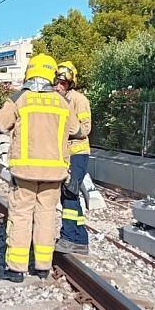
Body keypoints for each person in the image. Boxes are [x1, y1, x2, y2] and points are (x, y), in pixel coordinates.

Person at [0, 54, 84, 282]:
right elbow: (78, 131)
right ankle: (42, 266)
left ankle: (16, 269)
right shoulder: (62, 102)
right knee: (47, 216)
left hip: (25, 171)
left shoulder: (20, 99)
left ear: (29, 73)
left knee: (21, 216)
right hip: (54, 173)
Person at [53, 61, 92, 255]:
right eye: (57, 82)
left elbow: (85, 128)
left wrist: (67, 129)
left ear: (70, 84)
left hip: (78, 152)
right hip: (65, 154)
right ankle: (81, 239)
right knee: (71, 194)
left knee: (69, 192)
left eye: (63, 83)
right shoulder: (56, 99)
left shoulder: (78, 100)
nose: (59, 86)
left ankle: (68, 237)